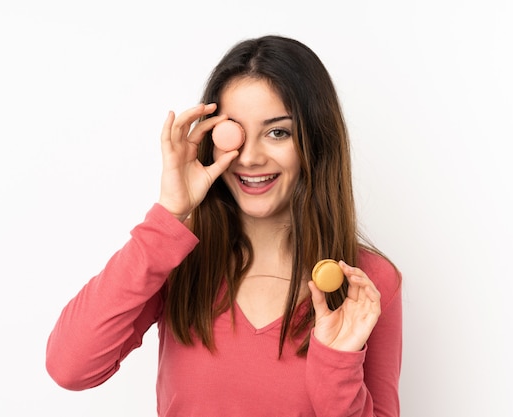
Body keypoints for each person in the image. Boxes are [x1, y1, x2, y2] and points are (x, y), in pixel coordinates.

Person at [46, 35, 402, 417]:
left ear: (314, 142)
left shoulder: (366, 284)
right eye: (233, 132)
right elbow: (70, 368)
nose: (249, 157)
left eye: (278, 132)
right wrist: (168, 215)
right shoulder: (178, 259)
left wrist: (336, 362)